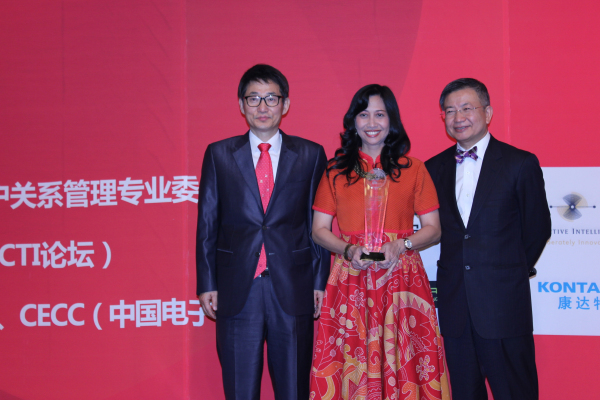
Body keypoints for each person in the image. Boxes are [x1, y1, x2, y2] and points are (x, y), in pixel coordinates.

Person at [195, 64, 330, 400]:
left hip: (293, 285)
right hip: (238, 288)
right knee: (240, 389)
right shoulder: (219, 154)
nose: (263, 107)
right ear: (241, 105)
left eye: (271, 98)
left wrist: (319, 281)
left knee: (293, 388)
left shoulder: (311, 155)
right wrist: (207, 283)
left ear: (285, 104)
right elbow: (207, 224)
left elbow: (318, 224)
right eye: (253, 98)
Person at [309, 84, 450, 400]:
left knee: (407, 360)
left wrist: (402, 245)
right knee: (350, 360)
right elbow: (319, 230)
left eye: (380, 115)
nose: (371, 123)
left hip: (401, 278)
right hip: (351, 278)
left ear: (392, 120)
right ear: (353, 121)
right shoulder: (335, 171)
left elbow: (434, 229)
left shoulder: (414, 169)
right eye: (363, 115)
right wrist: (348, 249)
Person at [425, 78, 551, 400]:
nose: (458, 117)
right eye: (450, 111)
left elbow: (537, 229)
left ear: (488, 112)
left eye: (467, 108)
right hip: (454, 305)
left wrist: (505, 272)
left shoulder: (519, 163)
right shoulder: (432, 168)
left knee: (516, 391)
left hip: (503, 305)